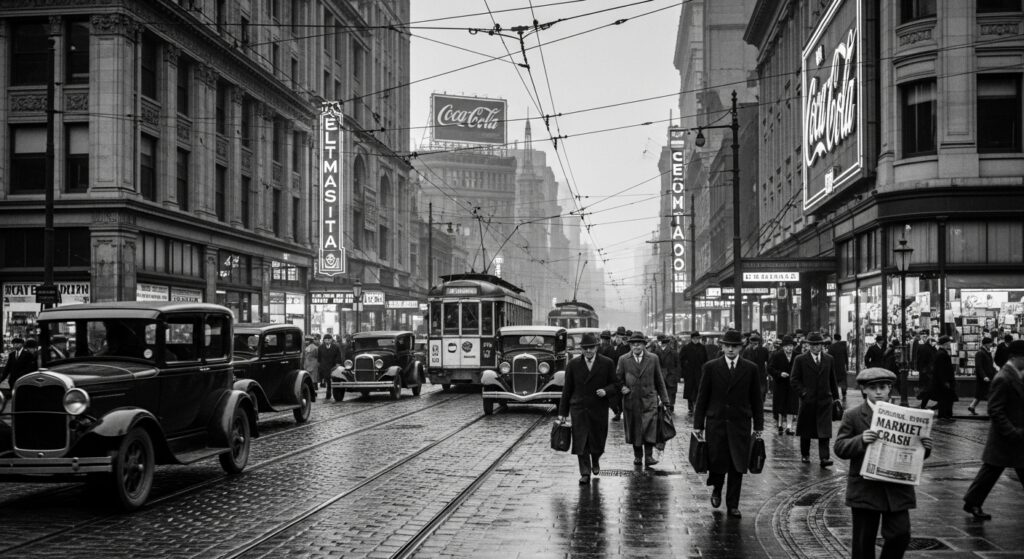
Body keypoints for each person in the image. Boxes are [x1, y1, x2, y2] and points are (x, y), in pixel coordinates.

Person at [834, 367, 934, 559]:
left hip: (896, 488)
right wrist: (861, 439)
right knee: (864, 543)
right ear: (864, 390)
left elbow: (915, 453)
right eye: (873, 388)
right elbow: (840, 447)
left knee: (900, 534)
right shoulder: (853, 415)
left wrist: (925, 446)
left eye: (883, 387)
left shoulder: (907, 414)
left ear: (890, 389)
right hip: (865, 488)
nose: (878, 392)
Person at [693, 329, 764, 518]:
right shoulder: (711, 367)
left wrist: (758, 427)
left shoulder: (750, 368)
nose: (731, 350)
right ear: (722, 347)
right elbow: (702, 398)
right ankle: (717, 488)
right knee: (717, 461)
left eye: (735, 346)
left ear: (741, 347)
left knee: (737, 464)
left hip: (740, 423)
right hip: (717, 422)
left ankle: (733, 504)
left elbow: (756, 399)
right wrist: (698, 425)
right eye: (728, 346)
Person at [961, 339, 1024, 521]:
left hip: (1013, 436)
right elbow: (994, 409)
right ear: (1016, 358)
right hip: (1006, 437)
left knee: (990, 472)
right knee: (990, 472)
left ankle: (972, 502)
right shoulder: (1004, 377)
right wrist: (1011, 431)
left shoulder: (1017, 374)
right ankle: (972, 502)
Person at [558, 332, 618, 485]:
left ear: (596, 348)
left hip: (598, 408)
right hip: (579, 408)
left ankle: (596, 459)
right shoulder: (573, 365)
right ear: (581, 349)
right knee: (581, 441)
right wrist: (562, 413)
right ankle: (585, 472)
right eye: (585, 348)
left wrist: (606, 391)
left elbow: (616, 384)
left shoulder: (607, 363)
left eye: (591, 348)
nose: (588, 351)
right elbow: (567, 389)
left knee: (597, 440)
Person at [616, 331, 669, 468]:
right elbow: (617, 379)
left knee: (650, 427)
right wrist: (622, 387)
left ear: (644, 345)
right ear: (630, 346)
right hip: (631, 400)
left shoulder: (653, 358)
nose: (636, 346)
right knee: (635, 428)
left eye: (639, 344)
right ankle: (638, 456)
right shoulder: (623, 360)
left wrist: (665, 399)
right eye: (633, 344)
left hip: (649, 399)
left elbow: (659, 380)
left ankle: (649, 456)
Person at [791, 332, 841, 468]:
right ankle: (805, 454)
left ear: (822, 345)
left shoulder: (829, 359)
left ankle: (824, 458)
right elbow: (794, 379)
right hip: (808, 401)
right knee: (806, 430)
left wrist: (836, 398)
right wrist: (804, 393)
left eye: (817, 344)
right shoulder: (800, 359)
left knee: (824, 431)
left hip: (825, 401)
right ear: (808, 345)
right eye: (812, 344)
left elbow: (833, 379)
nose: (814, 347)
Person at [768, 335, 799, 435]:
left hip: (792, 385)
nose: (789, 348)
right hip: (780, 384)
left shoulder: (797, 356)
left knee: (791, 406)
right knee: (780, 405)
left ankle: (789, 427)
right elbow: (770, 368)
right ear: (783, 347)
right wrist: (780, 374)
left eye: (790, 346)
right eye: (786, 346)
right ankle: (780, 425)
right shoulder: (777, 355)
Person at [679, 330, 708, 416]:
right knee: (690, 390)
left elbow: (705, 360)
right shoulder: (686, 348)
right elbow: (681, 359)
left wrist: (704, 370)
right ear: (691, 339)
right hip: (690, 373)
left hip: (699, 372)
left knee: (698, 389)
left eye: (697, 338)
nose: (696, 340)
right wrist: (685, 369)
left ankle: (697, 405)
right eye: (694, 338)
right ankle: (690, 407)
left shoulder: (702, 348)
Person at [931, 336, 958, 421]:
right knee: (945, 399)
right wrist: (945, 381)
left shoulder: (941, 353)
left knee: (944, 399)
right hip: (944, 382)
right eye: (949, 343)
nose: (950, 344)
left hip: (943, 381)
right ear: (945, 343)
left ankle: (944, 415)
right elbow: (941, 370)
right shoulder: (941, 354)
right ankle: (945, 415)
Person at [968, 337, 995, 416]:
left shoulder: (987, 352)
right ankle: (991, 410)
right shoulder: (980, 353)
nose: (991, 345)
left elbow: (990, 365)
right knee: (987, 394)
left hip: (988, 376)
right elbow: (979, 366)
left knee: (980, 394)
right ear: (986, 344)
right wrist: (984, 376)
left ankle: (972, 406)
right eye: (990, 343)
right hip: (984, 378)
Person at [742, 333, 770, 402]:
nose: (754, 346)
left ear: (758, 343)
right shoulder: (747, 350)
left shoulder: (764, 350)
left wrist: (768, 372)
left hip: (761, 374)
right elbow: (743, 362)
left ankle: (760, 407)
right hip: (750, 375)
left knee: (762, 392)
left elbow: (768, 362)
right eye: (752, 344)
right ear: (750, 343)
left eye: (756, 344)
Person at [656, 335, 681, 410]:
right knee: (661, 392)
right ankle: (664, 405)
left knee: (671, 393)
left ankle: (670, 405)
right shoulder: (656, 352)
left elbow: (678, 366)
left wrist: (677, 377)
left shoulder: (673, 353)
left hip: (671, 376)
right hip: (661, 376)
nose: (663, 344)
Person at [317, 334, 343, 401]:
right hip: (325, 366)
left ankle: (335, 393)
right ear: (324, 340)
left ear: (331, 340)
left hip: (333, 366)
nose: (328, 340)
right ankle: (328, 393)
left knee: (334, 380)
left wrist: (337, 364)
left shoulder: (336, 347)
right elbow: (319, 357)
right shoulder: (320, 347)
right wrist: (320, 365)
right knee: (327, 380)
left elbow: (338, 356)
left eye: (329, 339)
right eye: (326, 339)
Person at [830, 333, 850, 404]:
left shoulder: (831, 347)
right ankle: (844, 393)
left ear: (834, 339)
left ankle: (835, 395)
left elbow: (829, 357)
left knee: (834, 380)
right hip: (842, 366)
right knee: (843, 381)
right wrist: (847, 366)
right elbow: (846, 356)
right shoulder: (843, 346)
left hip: (834, 366)